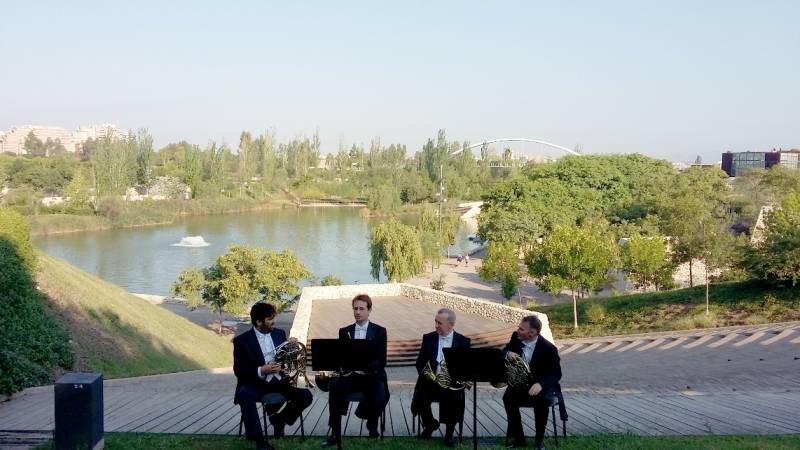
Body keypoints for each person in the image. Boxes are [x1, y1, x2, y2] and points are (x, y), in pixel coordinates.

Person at [233, 302, 313, 450]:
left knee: (306, 396)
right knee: (244, 394)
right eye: (270, 319)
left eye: (273, 318)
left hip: (279, 380)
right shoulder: (241, 341)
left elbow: (286, 360)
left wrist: (290, 355)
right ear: (258, 322)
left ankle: (280, 420)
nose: (273, 322)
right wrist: (261, 370)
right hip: (257, 383)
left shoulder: (279, 333)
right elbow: (239, 370)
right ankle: (259, 441)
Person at [323, 294, 389, 447]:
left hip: (371, 376)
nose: (357, 312)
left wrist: (368, 366)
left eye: (361, 309)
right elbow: (340, 357)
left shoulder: (380, 331)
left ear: (369, 310)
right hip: (351, 376)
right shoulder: (344, 331)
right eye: (355, 309)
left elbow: (382, 359)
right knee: (334, 388)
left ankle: (370, 423)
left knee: (381, 397)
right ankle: (335, 433)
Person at [411, 308, 470, 447]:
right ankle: (430, 424)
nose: (436, 325)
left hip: (452, 383)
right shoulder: (428, 338)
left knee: (454, 396)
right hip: (431, 381)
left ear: (451, 324)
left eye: (440, 323)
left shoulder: (463, 341)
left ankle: (449, 433)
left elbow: (466, 367)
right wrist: (429, 376)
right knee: (420, 396)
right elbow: (420, 362)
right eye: (435, 322)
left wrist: (465, 378)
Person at [502, 315, 562, 450]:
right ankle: (519, 438)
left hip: (540, 386)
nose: (518, 330)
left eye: (521, 329)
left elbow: (556, 374)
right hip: (519, 384)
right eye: (519, 327)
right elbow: (504, 351)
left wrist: (540, 384)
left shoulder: (548, 348)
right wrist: (507, 354)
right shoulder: (515, 338)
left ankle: (539, 440)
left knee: (541, 401)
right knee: (508, 398)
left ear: (533, 333)